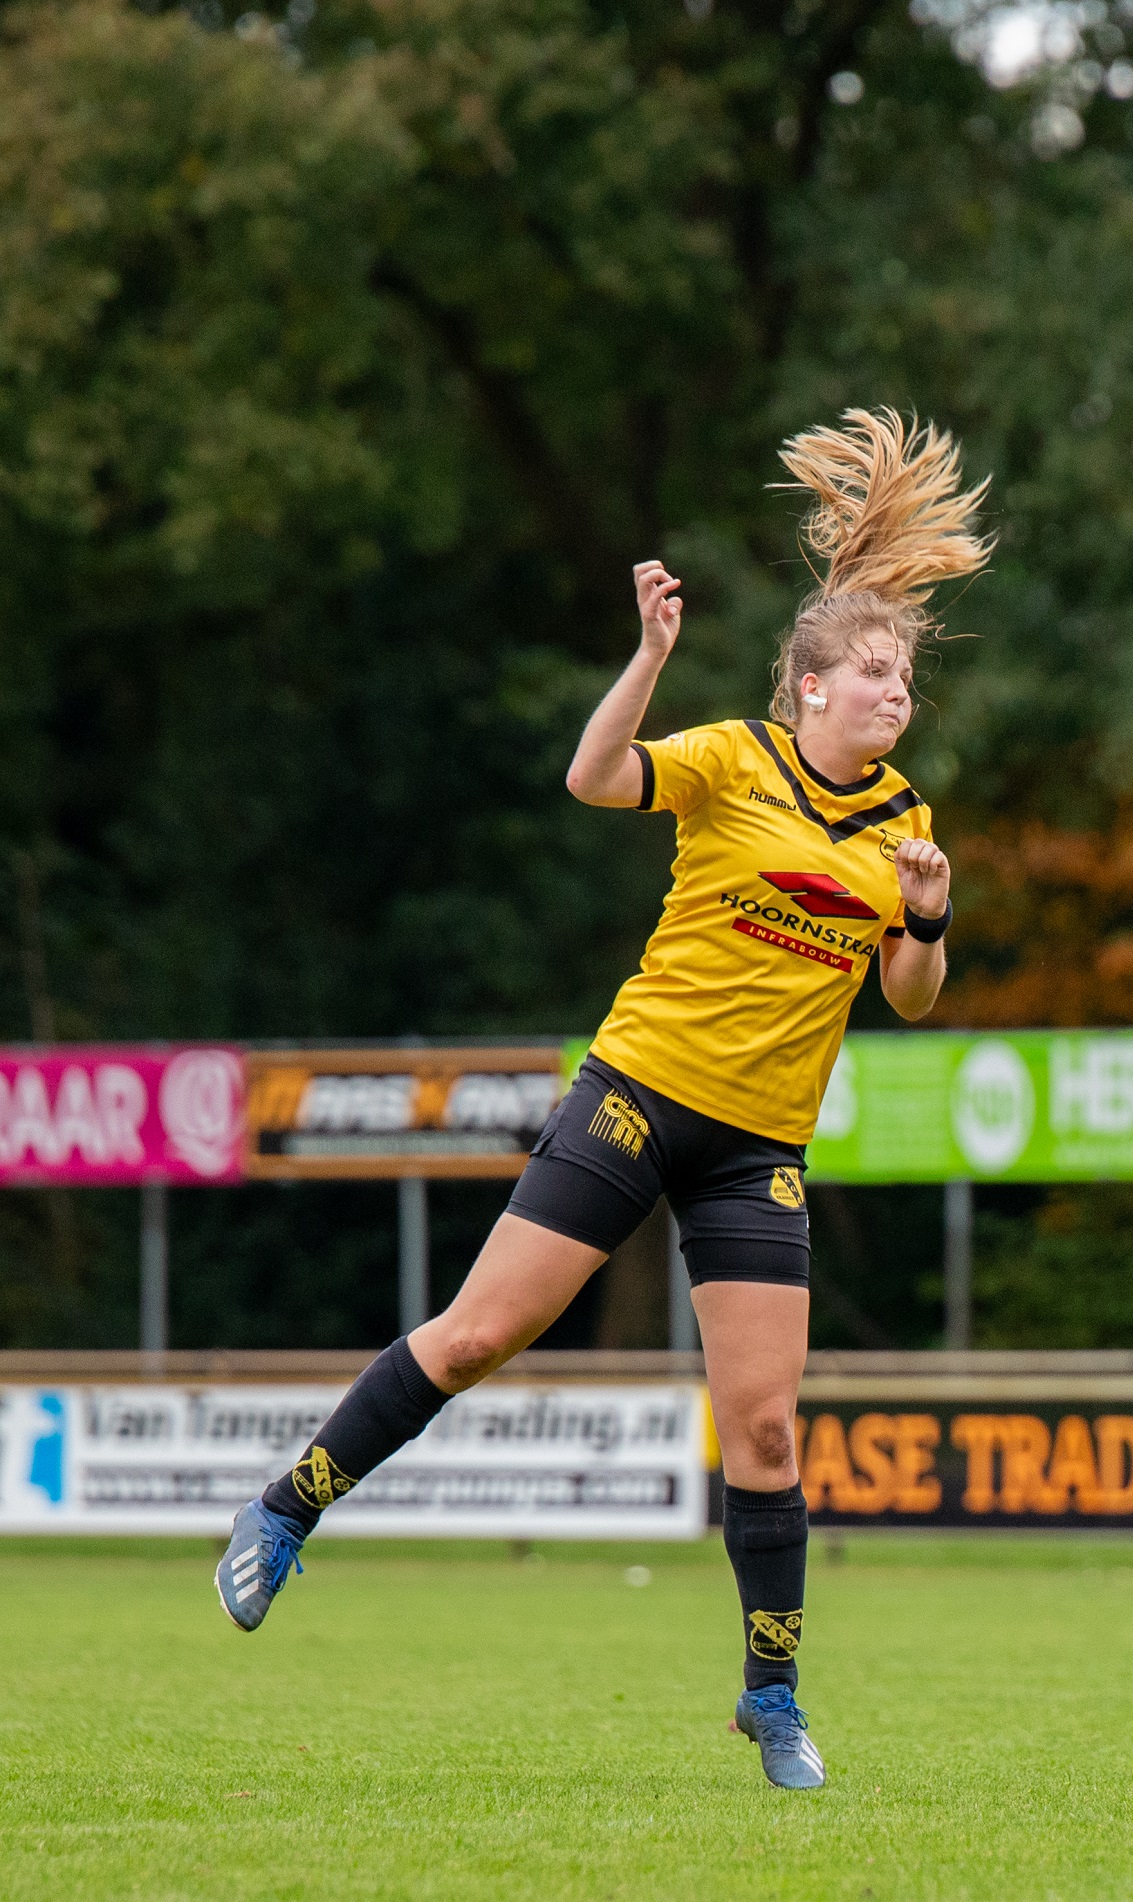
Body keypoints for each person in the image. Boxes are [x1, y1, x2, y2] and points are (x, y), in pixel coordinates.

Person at [213, 409, 989, 1791]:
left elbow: (910, 996)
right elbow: (590, 777)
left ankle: (772, 1693)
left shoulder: (905, 823)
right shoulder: (730, 758)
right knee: (480, 1333)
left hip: (760, 1145)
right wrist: (645, 660)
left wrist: (926, 922)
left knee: (764, 1426)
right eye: (873, 673)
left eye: (903, 680)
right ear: (808, 688)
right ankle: (287, 1507)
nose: (894, 694)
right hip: (640, 1093)